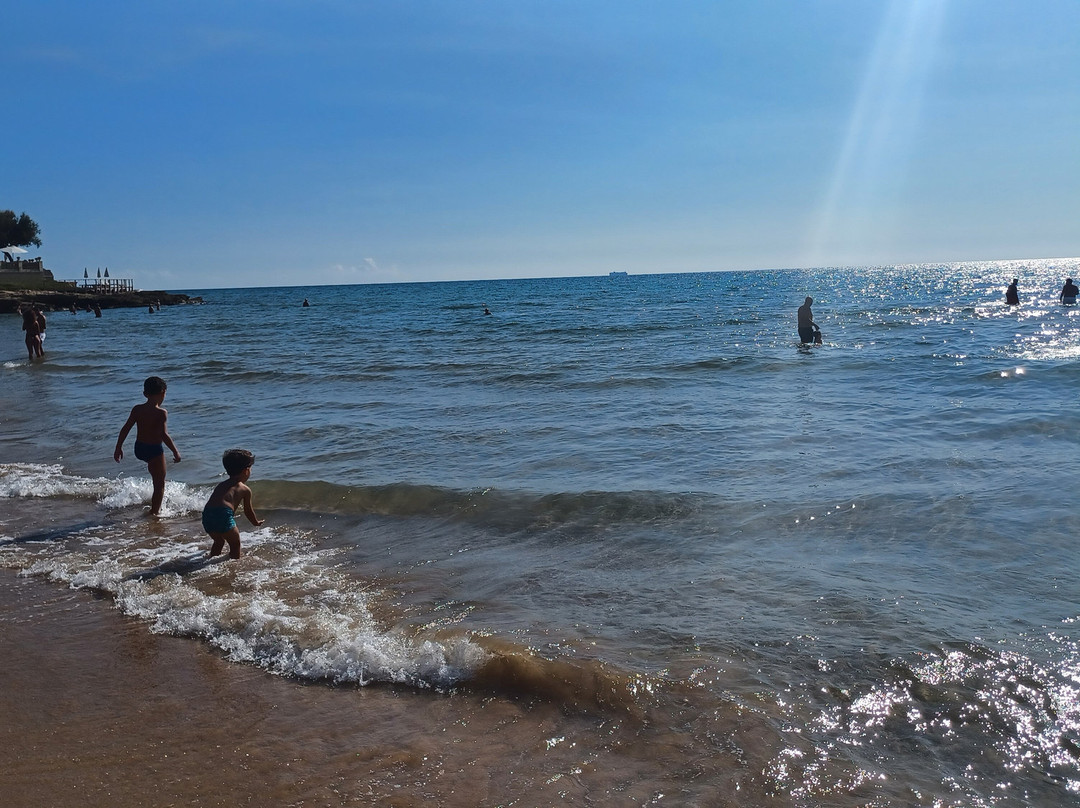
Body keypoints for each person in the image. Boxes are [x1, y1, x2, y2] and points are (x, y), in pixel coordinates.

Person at [113, 376, 182, 516]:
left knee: (155, 474)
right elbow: (163, 435)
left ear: (145, 393)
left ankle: (153, 507)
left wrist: (118, 447)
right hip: (154, 449)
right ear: (163, 392)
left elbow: (125, 428)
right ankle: (155, 513)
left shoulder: (137, 409)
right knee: (159, 484)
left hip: (139, 448)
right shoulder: (161, 412)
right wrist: (175, 452)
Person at [202, 449, 264, 559]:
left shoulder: (221, 485)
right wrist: (256, 522)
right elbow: (248, 511)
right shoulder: (244, 489)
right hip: (223, 516)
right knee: (235, 545)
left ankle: (210, 560)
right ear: (246, 471)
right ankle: (233, 567)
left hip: (207, 516)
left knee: (219, 541)